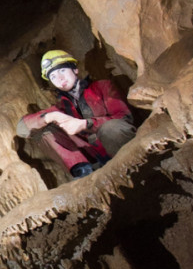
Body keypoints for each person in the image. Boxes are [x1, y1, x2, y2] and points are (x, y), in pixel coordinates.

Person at [17, 49, 136, 178]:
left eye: (62, 70)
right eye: (53, 76)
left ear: (75, 69)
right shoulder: (60, 107)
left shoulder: (102, 87)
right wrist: (51, 116)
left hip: (121, 146)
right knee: (45, 130)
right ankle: (83, 171)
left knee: (111, 128)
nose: (59, 78)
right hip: (96, 158)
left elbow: (124, 117)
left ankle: (132, 164)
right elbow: (22, 129)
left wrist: (85, 124)